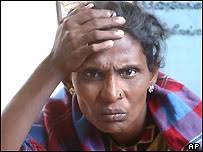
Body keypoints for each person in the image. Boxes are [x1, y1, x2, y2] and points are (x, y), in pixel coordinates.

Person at [1, 1, 202, 151]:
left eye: (128, 72)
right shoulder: (55, 124)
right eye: (92, 74)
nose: (111, 94)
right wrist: (53, 65)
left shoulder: (191, 125)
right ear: (70, 81)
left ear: (153, 75)